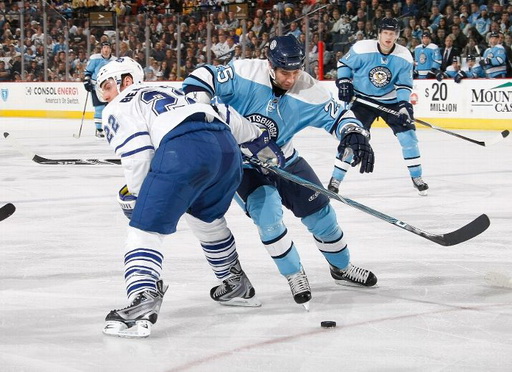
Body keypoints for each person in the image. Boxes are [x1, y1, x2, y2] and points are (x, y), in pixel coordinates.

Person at [183, 35, 377, 310]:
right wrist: (199, 107)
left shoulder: (309, 90)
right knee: (268, 217)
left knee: (321, 215)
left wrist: (354, 133)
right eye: (285, 72)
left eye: (296, 71)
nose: (290, 78)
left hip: (285, 158)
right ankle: (294, 274)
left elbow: (339, 115)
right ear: (270, 65)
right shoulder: (245, 72)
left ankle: (342, 268)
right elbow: (203, 75)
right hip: (245, 166)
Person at [95, 57, 284, 338]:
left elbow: (137, 155)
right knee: (206, 218)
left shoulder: (119, 105)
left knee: (144, 229)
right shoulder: (172, 90)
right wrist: (259, 144)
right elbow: (224, 113)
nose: (105, 95)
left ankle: (142, 302)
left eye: (107, 86)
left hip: (183, 151)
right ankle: (235, 284)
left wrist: (138, 196)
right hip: (225, 150)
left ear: (126, 81)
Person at [336, 18, 429, 196]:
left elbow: (403, 86)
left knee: (409, 138)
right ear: (378, 34)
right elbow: (344, 64)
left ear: (397, 36)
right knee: (352, 139)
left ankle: (417, 178)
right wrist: (344, 82)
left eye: (392, 34)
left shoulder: (403, 56)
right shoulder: (362, 48)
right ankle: (336, 180)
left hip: (390, 100)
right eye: (385, 33)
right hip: (362, 100)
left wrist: (403, 106)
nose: (388, 37)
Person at [83, 40, 117, 138]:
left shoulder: (114, 60)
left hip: (110, 87)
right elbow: (88, 71)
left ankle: (108, 127)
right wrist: (87, 81)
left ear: (111, 50)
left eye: (108, 48)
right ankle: (99, 129)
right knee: (99, 108)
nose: (106, 50)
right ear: (101, 49)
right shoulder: (95, 58)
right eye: (104, 48)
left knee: (110, 108)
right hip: (96, 86)